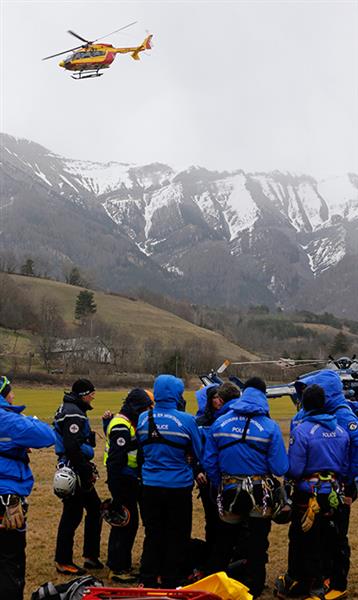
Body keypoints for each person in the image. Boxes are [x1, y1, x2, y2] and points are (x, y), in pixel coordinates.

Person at [203, 376, 288, 599]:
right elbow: (280, 467)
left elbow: (209, 461)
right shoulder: (269, 426)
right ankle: (254, 586)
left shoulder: (220, 423)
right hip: (260, 493)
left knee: (224, 541)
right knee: (258, 543)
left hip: (229, 489)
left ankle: (216, 583)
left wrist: (218, 484)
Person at [288, 369, 358, 600]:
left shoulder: (344, 418)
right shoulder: (331, 423)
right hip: (332, 486)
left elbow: (353, 455)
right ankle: (314, 578)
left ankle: (332, 580)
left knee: (334, 536)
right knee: (313, 536)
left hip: (329, 488)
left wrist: (349, 484)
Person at [136, 374, 203, 588]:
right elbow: (199, 451)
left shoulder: (143, 418)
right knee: (178, 533)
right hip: (178, 487)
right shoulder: (186, 420)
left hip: (150, 485)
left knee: (153, 532)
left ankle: (148, 576)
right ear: (177, 394)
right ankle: (170, 578)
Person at [0, 375, 55, 600]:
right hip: (6, 498)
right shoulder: (7, 419)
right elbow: (46, 435)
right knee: (8, 563)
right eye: (10, 392)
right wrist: (26, 420)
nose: (14, 396)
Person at [53, 378, 102, 575]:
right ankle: (63, 560)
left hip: (75, 466)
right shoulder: (73, 412)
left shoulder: (71, 408)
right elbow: (72, 446)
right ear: (83, 395)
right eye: (91, 393)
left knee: (95, 507)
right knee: (72, 515)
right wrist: (86, 470)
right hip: (74, 469)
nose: (93, 397)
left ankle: (90, 556)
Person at [102, 388, 152, 582]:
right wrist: (127, 477)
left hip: (126, 479)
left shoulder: (126, 423)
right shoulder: (122, 426)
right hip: (123, 481)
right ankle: (118, 568)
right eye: (144, 409)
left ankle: (116, 562)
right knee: (126, 523)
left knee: (123, 522)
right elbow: (116, 459)